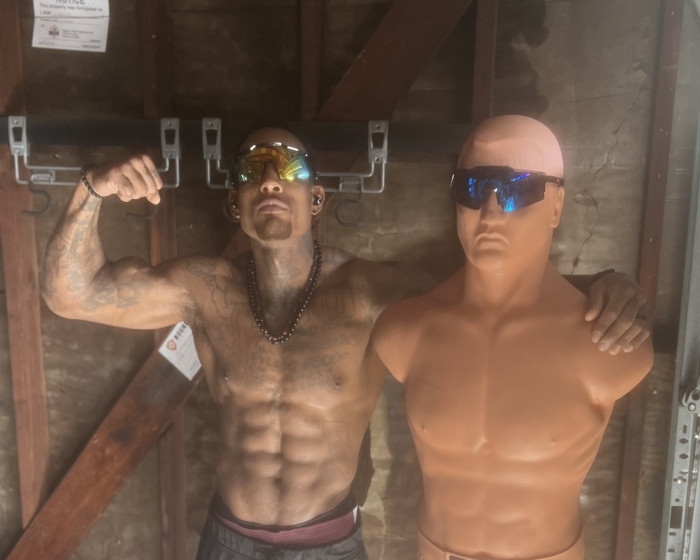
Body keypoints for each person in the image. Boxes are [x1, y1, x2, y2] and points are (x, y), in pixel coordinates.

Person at [42, 126, 649, 560]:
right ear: (236, 202)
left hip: (328, 543)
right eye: (253, 169)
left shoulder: (372, 293)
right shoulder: (203, 291)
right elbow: (72, 296)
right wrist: (90, 190)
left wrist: (607, 284)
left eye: (290, 167)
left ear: (317, 199)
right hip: (229, 539)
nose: (271, 179)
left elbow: (497, 295)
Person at [370, 115, 655, 560]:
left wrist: (615, 280)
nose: (490, 213)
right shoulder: (406, 330)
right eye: (472, 188)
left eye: (518, 189)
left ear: (556, 206)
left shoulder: (607, 345)